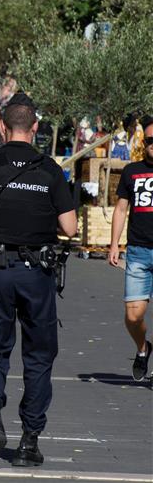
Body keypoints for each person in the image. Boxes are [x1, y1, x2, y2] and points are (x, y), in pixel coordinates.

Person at [0, 93, 77, 469]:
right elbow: (69, 227)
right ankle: (28, 441)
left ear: (3, 126)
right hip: (36, 273)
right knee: (38, 355)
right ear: (35, 128)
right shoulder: (51, 170)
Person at [109, 118, 153, 381]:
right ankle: (143, 348)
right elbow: (121, 209)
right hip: (138, 251)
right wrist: (114, 244)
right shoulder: (131, 171)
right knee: (133, 316)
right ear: (143, 142)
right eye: (150, 141)